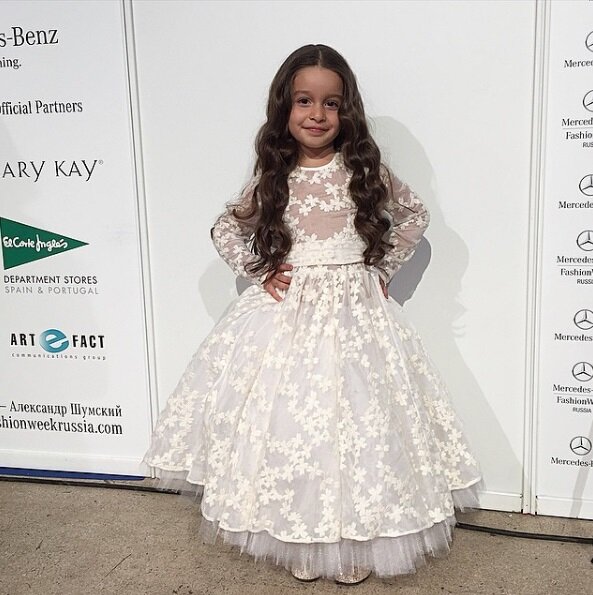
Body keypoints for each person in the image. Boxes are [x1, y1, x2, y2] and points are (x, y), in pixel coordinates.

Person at [143, 44, 481, 585]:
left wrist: (382, 268)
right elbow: (225, 227)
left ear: (347, 111)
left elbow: (414, 214)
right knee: (293, 427)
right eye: (304, 101)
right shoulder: (275, 176)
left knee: (360, 427)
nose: (317, 114)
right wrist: (259, 269)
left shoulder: (364, 171)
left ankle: (353, 540)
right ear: (285, 107)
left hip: (355, 315)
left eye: (331, 103)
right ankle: (300, 534)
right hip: (289, 317)